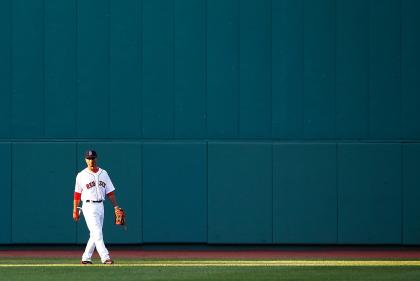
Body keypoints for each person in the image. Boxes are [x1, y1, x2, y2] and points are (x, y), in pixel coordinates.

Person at [72, 150, 121, 265]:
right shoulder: (81, 175)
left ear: (96, 159)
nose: (91, 160)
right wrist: (75, 209)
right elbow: (77, 194)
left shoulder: (104, 173)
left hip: (100, 206)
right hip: (88, 206)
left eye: (93, 158)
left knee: (94, 234)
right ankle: (105, 257)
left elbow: (110, 192)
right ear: (85, 160)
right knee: (98, 233)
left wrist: (116, 207)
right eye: (89, 158)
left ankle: (86, 258)